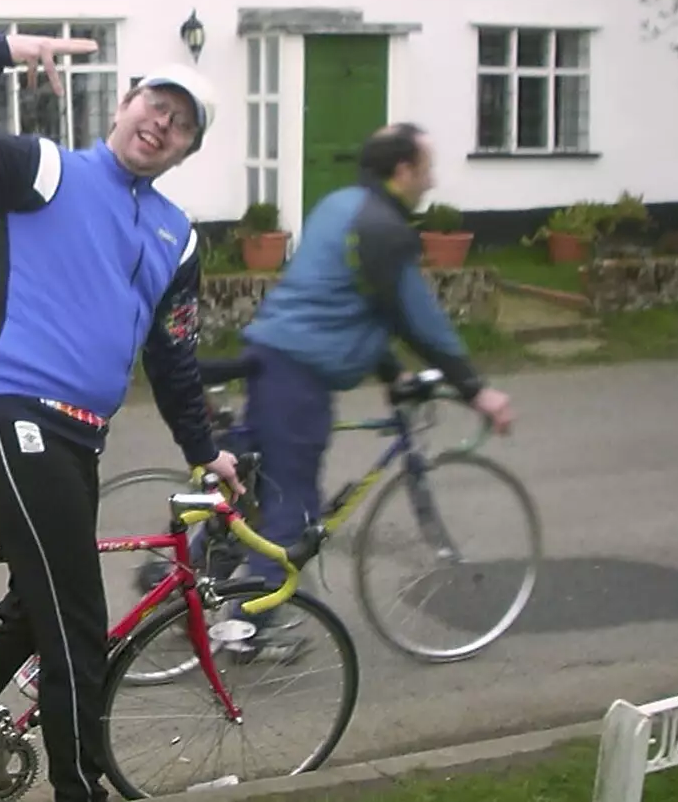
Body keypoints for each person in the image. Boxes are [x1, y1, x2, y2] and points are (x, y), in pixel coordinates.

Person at [0, 31, 241, 802]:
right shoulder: (49, 170)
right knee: (78, 623)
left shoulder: (176, 236)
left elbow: (175, 357)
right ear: (123, 105)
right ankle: (77, 788)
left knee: (36, 609)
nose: (160, 123)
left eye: (180, 123)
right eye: (154, 104)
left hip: (74, 442)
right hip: (11, 418)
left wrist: (205, 452)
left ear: (187, 151)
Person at [218, 122, 517, 649]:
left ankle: (185, 580)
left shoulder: (342, 204)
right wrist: (477, 390)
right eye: (427, 167)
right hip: (299, 375)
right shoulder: (384, 228)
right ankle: (246, 626)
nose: (433, 178)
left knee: (254, 488)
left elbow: (352, 301)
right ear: (403, 171)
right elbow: (414, 317)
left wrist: (391, 373)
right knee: (292, 506)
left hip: (272, 356)